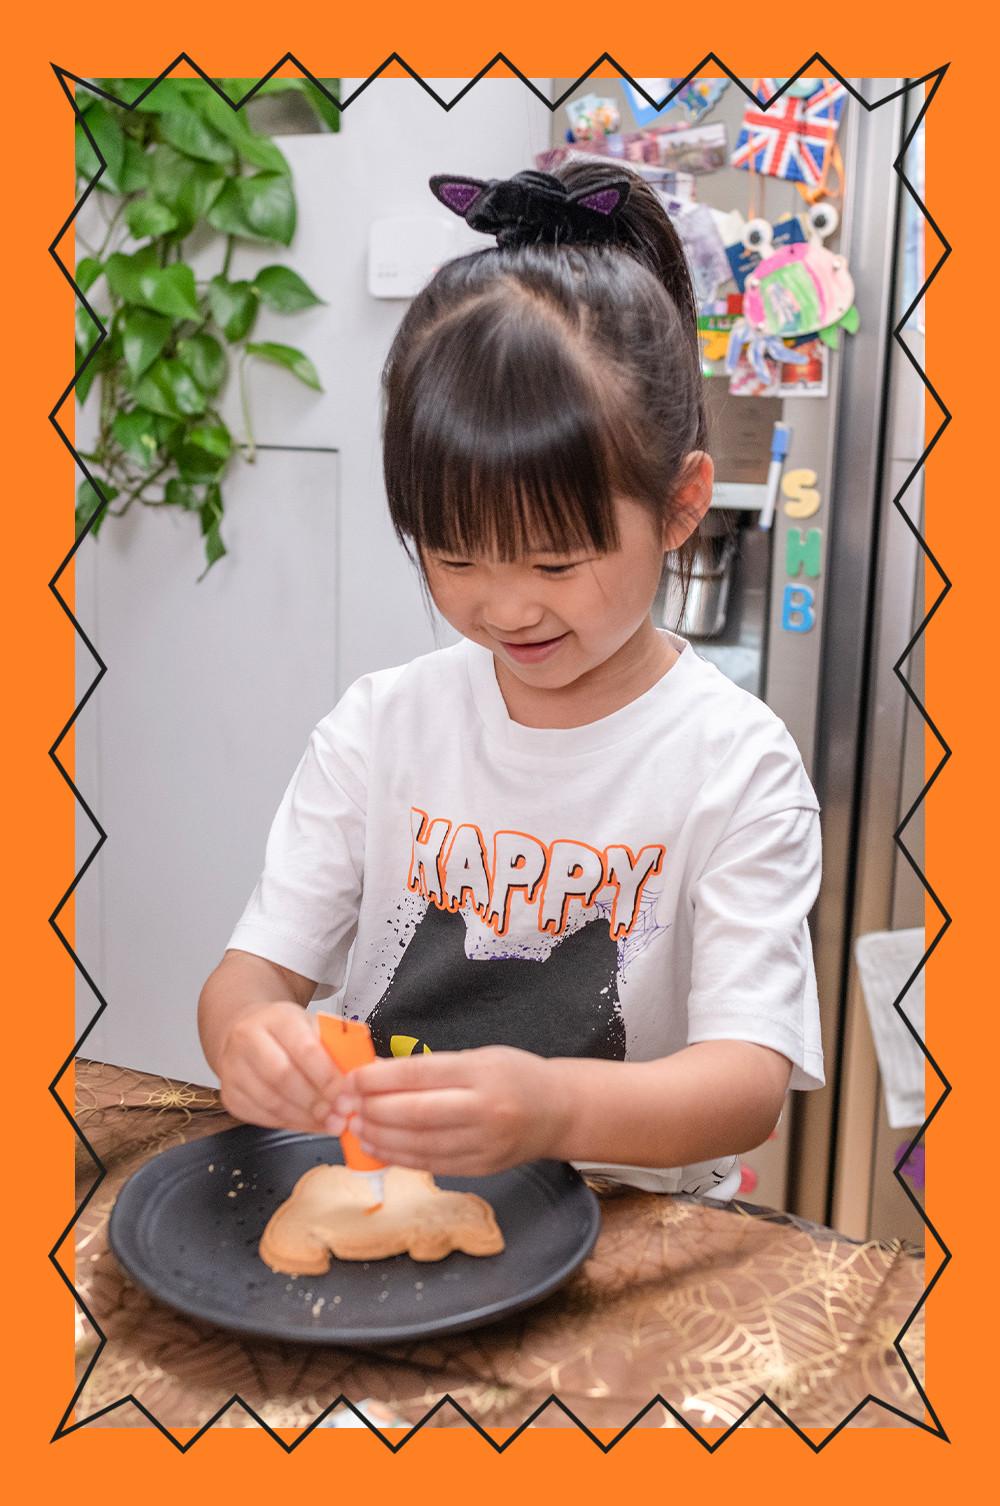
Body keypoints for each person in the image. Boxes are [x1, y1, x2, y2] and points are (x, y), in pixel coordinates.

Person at [198, 161, 824, 1201]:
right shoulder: (380, 728)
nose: (504, 608)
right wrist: (251, 1034)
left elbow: (745, 1081)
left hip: (626, 1222)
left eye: (552, 563)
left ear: (679, 507)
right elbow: (253, 974)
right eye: (452, 556)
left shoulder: (736, 764)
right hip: (386, 1197)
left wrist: (553, 1110)